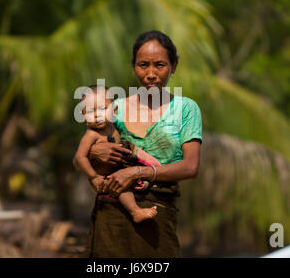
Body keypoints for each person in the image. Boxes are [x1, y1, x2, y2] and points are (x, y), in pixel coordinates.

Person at [84, 30, 203, 258]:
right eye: (143, 65)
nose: (150, 74)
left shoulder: (185, 109)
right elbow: (90, 159)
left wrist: (138, 172)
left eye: (159, 65)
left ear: (174, 66)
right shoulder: (113, 109)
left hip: (158, 215)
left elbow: (190, 167)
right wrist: (95, 152)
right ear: (133, 67)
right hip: (112, 214)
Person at [73, 85, 159, 223]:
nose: (97, 115)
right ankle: (135, 211)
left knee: (129, 178)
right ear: (83, 117)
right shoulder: (91, 135)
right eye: (90, 111)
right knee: (122, 190)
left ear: (114, 111)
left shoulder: (113, 128)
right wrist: (93, 177)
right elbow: (80, 157)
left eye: (103, 108)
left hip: (118, 170)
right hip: (103, 177)